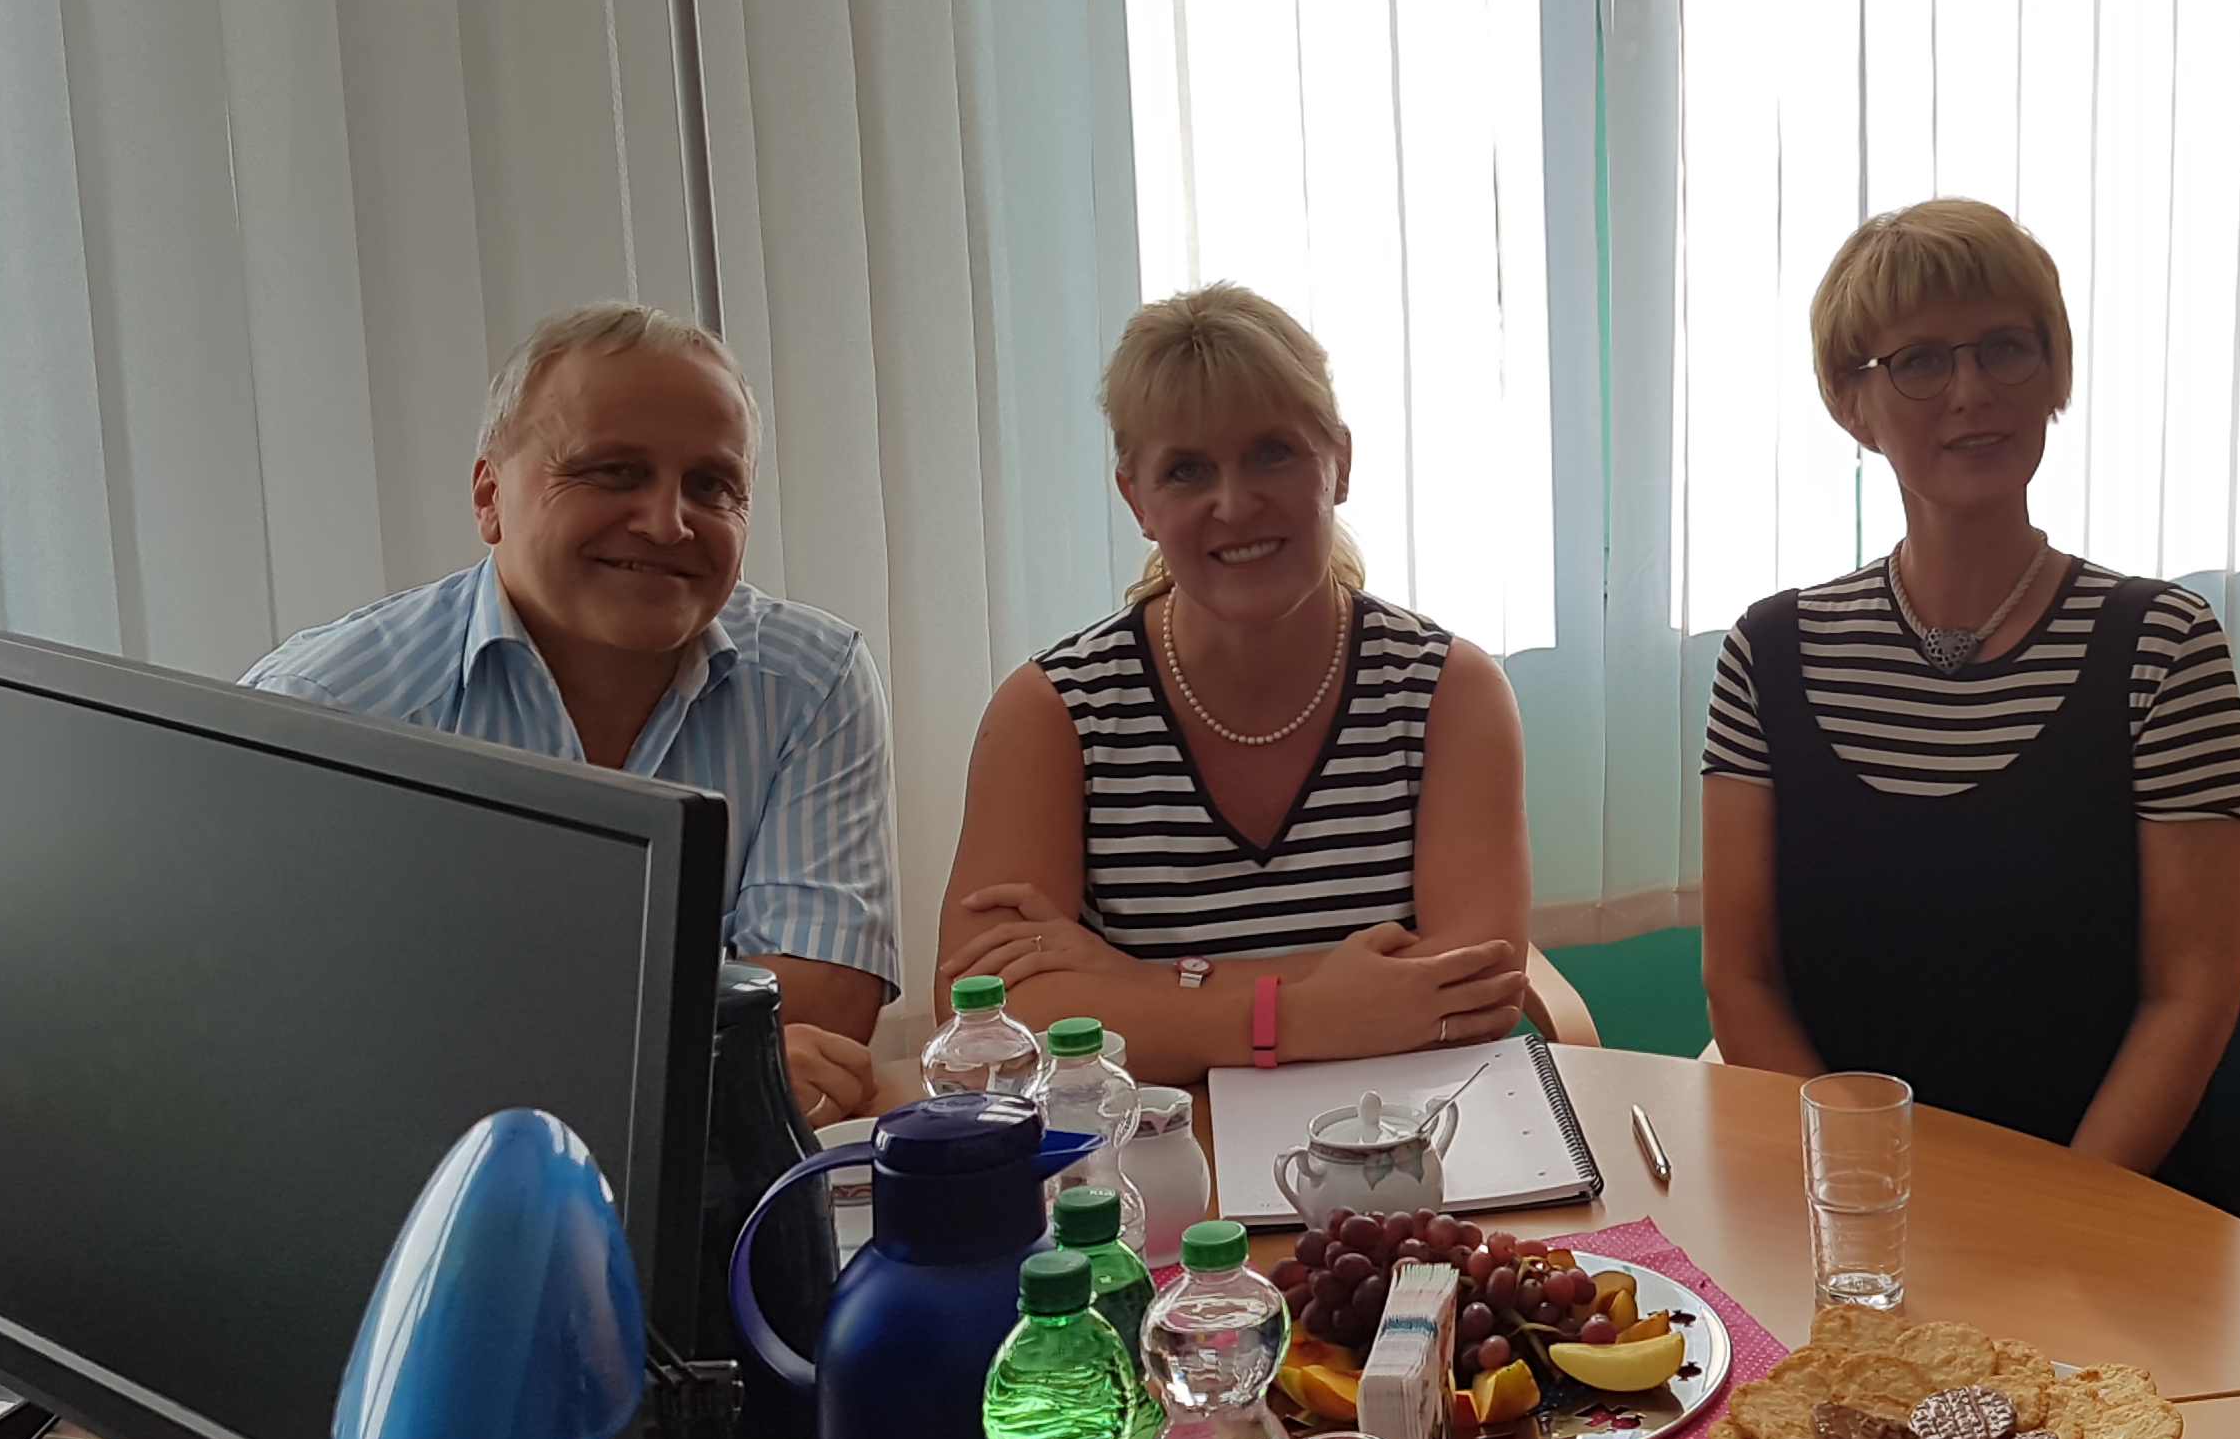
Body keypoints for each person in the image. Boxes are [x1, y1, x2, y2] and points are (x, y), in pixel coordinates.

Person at [1700, 199, 2240, 1171]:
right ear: (1850, 402)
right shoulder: (1770, 653)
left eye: (2007, 348)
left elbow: (2191, 993)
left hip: (2101, 1200)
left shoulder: (2164, 647)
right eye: (1919, 360)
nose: (1971, 391)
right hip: (1844, 1203)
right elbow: (1744, 979)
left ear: (2053, 376)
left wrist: (2057, 1217)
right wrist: (1864, 1189)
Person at [248, 304, 897, 1122]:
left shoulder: (813, 680)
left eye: (712, 485)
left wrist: (514, 1045)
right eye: (612, 471)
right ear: (489, 496)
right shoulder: (326, 713)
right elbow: (315, 1055)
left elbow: (821, 1020)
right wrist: (712, 1061)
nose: (667, 522)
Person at [937, 285, 1529, 1077]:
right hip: (1139, 1166)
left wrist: (1135, 984)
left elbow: (1471, 990)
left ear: (1340, 463)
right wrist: (1300, 1015)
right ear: (1136, 500)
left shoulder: (1448, 691)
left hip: (1404, 1155)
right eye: (1187, 470)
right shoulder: (1052, 711)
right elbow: (984, 1021)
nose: (1234, 503)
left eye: (1271, 454)